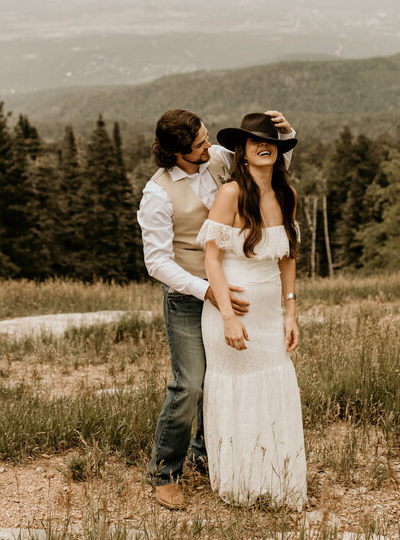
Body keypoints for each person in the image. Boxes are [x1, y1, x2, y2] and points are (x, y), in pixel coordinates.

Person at [137, 108, 295, 510]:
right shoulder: (157, 194)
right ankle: (164, 472)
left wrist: (286, 134)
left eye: (207, 138)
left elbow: (265, 173)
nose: (210, 147)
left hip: (236, 293)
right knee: (189, 384)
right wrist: (207, 291)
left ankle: (208, 457)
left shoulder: (218, 160)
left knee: (223, 378)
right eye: (200, 145)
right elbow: (156, 262)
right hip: (188, 294)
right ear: (177, 154)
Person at [197, 112, 307, 509]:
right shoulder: (229, 194)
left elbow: (288, 259)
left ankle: (276, 479)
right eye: (255, 141)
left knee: (275, 385)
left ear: (278, 152)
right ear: (241, 152)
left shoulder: (286, 195)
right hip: (232, 310)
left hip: (268, 315)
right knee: (237, 389)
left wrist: (290, 313)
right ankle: (241, 482)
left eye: (272, 141)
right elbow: (212, 260)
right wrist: (227, 313)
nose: (265, 146)